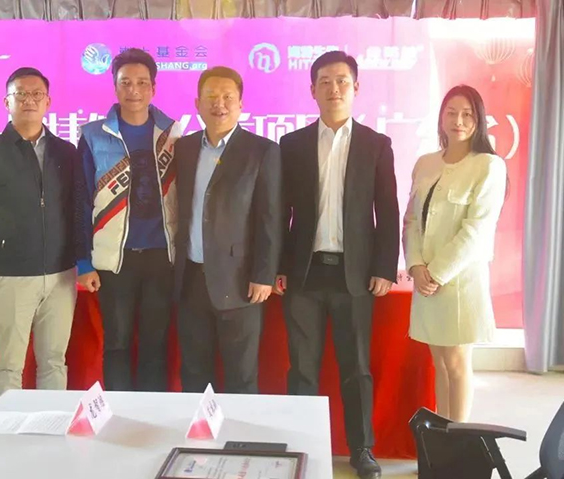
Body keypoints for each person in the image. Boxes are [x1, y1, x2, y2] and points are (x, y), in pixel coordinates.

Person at [276, 51, 399, 479]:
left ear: (356, 88)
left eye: (342, 81)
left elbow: (387, 209)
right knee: (302, 369)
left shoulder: (376, 145)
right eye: (325, 81)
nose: (334, 89)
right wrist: (278, 265)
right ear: (312, 90)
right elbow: (280, 211)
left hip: (356, 274)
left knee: (356, 368)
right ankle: (303, 442)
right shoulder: (292, 145)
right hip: (304, 272)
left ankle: (361, 449)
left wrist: (384, 266)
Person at [0, 67, 87, 400]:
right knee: (9, 365)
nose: (29, 100)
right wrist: (3, 244)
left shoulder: (66, 152)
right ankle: (9, 430)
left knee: (53, 362)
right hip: (11, 275)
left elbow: (77, 207)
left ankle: (52, 427)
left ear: (48, 102)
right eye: (21, 94)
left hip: (60, 274)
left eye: (36, 94)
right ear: (7, 102)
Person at [76, 48, 181, 391]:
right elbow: (80, 202)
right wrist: (83, 262)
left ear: (153, 88)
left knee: (155, 345)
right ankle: (119, 415)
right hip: (113, 261)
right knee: (117, 344)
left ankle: (152, 416)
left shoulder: (173, 135)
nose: (133, 90)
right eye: (125, 83)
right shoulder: (93, 136)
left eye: (141, 83)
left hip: (161, 258)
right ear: (115, 87)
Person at [173, 66, 282, 394]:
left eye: (227, 97)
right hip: (191, 278)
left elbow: (270, 217)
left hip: (240, 281)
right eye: (210, 97)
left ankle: (239, 430)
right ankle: (198, 428)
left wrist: (264, 274)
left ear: (240, 104)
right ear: (197, 103)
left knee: (241, 375)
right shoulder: (183, 148)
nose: (218, 104)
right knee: (194, 372)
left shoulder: (262, 150)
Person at [403, 84, 507, 423]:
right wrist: (416, 266)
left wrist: (435, 273)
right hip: (426, 283)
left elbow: (477, 230)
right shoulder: (425, 163)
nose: (458, 121)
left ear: (478, 120)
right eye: (451, 113)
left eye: (467, 114)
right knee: (441, 365)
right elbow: (411, 221)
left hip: (460, 283)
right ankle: (442, 437)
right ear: (441, 117)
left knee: (458, 365)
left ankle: (457, 442)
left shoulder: (488, 166)